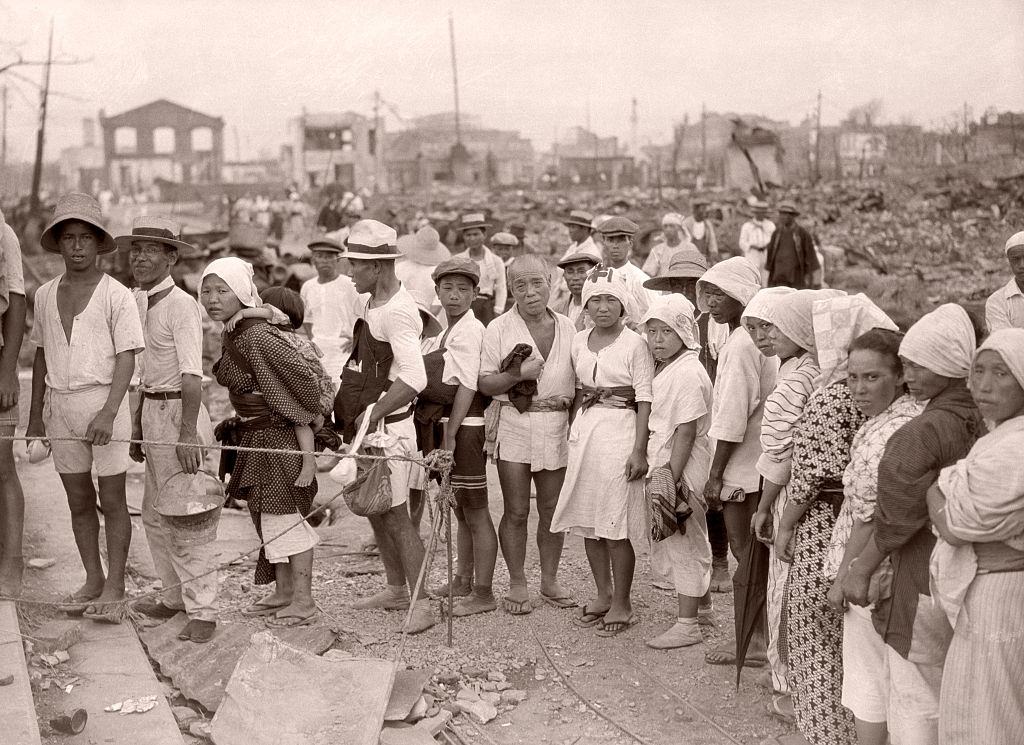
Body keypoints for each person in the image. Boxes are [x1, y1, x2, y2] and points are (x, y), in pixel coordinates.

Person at [842, 303, 982, 745]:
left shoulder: (920, 432)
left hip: (918, 571)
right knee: (946, 681)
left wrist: (860, 568)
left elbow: (894, 515)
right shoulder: (978, 417)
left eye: (918, 364)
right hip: (966, 569)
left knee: (911, 687)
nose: (909, 374)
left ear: (946, 364)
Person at [774, 292, 897, 745]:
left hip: (825, 524)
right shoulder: (896, 402)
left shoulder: (831, 396)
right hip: (858, 527)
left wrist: (786, 523)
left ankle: (827, 733)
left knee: (815, 635)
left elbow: (808, 475)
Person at [26, 193, 145, 620]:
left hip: (103, 404)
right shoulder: (43, 295)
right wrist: (37, 414)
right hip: (62, 406)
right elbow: (41, 353)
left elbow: (127, 356)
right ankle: (93, 578)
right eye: (69, 238)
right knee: (78, 500)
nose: (77, 246)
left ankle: (115, 587)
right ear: (58, 244)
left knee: (111, 498)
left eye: (85, 238)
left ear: (99, 245)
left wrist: (110, 412)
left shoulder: (117, 296)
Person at [203, 257, 323, 628]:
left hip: (278, 438)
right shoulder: (236, 331)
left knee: (284, 518)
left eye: (223, 291)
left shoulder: (255, 334)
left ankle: (303, 600)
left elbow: (300, 378)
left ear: (241, 292)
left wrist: (296, 416)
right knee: (265, 518)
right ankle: (285, 591)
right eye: (206, 291)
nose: (213, 298)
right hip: (255, 437)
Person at [120, 217, 221, 643]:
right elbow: (143, 371)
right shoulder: (139, 302)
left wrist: (184, 432)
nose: (140, 257)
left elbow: (191, 375)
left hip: (179, 412)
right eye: (135, 249)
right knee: (155, 516)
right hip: (153, 411)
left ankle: (203, 611)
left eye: (150, 250)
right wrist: (141, 424)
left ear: (171, 257)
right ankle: (174, 596)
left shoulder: (181, 305)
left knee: (187, 515)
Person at [333, 220, 434, 633]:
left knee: (395, 515)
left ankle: (422, 602)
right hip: (369, 431)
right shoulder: (372, 303)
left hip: (391, 432)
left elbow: (415, 378)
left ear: (377, 267)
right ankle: (395, 588)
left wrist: (373, 413)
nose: (350, 273)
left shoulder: (399, 312)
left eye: (355, 265)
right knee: (374, 510)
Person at [824, 329, 922, 745]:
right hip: (897, 568)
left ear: (899, 376)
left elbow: (867, 518)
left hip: (871, 570)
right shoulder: (904, 418)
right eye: (853, 378)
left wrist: (847, 574)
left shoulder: (886, 433)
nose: (859, 389)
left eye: (872, 378)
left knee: (870, 677)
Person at [927, 328, 1024, 745]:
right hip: (985, 585)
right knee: (977, 702)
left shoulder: (1015, 447)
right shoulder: (999, 437)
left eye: (1001, 373)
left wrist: (935, 489)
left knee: (993, 711)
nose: (983, 385)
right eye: (978, 371)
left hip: (1000, 595)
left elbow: (955, 525)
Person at [551, 272, 653, 637]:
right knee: (590, 521)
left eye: (611, 300)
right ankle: (602, 593)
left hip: (620, 434)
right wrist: (572, 431)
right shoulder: (579, 341)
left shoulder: (635, 344)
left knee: (614, 523)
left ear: (623, 305)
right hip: (586, 433)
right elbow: (579, 389)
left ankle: (623, 602)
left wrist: (639, 450)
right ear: (587, 305)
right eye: (596, 300)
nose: (603, 307)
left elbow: (644, 399)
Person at [479, 254, 577, 616]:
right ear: (511, 289)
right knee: (516, 510)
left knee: (552, 510)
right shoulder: (499, 328)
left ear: (551, 282)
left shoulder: (569, 327)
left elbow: (579, 383)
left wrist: (575, 425)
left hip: (556, 425)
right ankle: (518, 582)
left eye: (537, 282)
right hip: (514, 424)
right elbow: (485, 382)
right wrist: (518, 375)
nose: (531, 292)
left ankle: (549, 581)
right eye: (520, 285)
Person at [696, 257, 778, 668]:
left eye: (720, 294)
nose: (712, 301)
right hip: (758, 463)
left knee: (747, 558)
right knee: (754, 557)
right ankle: (760, 635)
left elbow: (730, 417)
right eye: (707, 292)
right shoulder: (749, 340)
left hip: (743, 468)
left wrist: (715, 475)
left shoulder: (743, 345)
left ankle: (754, 639)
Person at [643, 250, 731, 590]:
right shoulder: (664, 329)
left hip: (704, 416)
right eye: (676, 283)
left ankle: (709, 578)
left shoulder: (714, 324)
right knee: (685, 521)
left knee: (707, 501)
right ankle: (698, 596)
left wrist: (672, 474)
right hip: (685, 415)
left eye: (690, 283)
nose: (683, 288)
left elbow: (686, 428)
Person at [419, 258, 498, 616]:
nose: (454, 296)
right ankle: (463, 578)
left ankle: (483, 592)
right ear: (437, 291)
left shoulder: (471, 330)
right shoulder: (442, 332)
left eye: (463, 289)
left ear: (475, 293)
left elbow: (468, 384)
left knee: (477, 511)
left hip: (464, 428)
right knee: (461, 510)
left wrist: (450, 436)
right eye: (448, 288)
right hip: (447, 426)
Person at [640, 295, 716, 649]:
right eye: (652, 331)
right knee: (687, 537)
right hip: (672, 461)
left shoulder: (687, 372)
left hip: (681, 465)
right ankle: (702, 607)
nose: (657, 339)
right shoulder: (672, 366)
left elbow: (685, 430)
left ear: (684, 332)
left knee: (683, 539)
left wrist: (671, 477)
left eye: (666, 331)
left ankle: (687, 625)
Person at [741, 286, 802, 720]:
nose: (763, 337)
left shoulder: (799, 376)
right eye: (755, 329)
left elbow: (780, 455)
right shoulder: (793, 367)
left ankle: (790, 682)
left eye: (770, 327)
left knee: (787, 586)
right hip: (793, 490)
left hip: (791, 494)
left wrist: (765, 505)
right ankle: (785, 672)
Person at [224, 286, 333, 488]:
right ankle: (314, 429)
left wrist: (242, 313)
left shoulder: (276, 325)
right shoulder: (284, 336)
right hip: (322, 390)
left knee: (298, 418)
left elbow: (268, 311)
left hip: (319, 393)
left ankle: (309, 463)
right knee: (301, 418)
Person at [0, 210, 27, 597]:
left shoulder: (3, 233)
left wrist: (8, 373)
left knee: (3, 466)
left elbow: (17, 303)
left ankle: (13, 562)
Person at [299, 236, 361, 380]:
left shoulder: (349, 285)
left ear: (337, 260)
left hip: (344, 349)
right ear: (313, 260)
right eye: (320, 256)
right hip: (319, 349)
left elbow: (365, 314)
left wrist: (357, 340)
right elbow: (307, 318)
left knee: (342, 389)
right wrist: (314, 339)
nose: (325, 261)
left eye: (329, 257)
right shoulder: (308, 287)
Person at [594, 217, 657, 318]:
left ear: (630, 243)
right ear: (604, 243)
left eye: (621, 240)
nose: (615, 246)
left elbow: (656, 314)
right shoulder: (597, 277)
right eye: (610, 240)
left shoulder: (639, 280)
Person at [451, 212, 505, 325]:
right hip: (462, 308)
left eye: (476, 234)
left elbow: (501, 288)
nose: (472, 238)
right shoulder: (457, 259)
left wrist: (498, 311)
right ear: (463, 237)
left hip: (486, 308)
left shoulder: (496, 261)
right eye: (468, 235)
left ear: (484, 234)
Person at [396, 225, 450, 316]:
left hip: (400, 314)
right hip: (428, 320)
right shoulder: (441, 273)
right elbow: (436, 307)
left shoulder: (400, 267)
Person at [765, 202, 820, 290]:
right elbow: (770, 254)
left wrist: (815, 281)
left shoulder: (802, 234)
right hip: (778, 277)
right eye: (781, 214)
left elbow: (811, 258)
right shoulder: (777, 233)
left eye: (785, 214)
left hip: (796, 278)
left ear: (792, 216)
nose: (782, 217)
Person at [984, 230, 1024, 332]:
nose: (1022, 265)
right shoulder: (997, 302)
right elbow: (1005, 341)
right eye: (1016, 259)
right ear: (1009, 262)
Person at [552, 252, 599, 331]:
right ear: (564, 276)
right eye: (570, 272)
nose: (575, 277)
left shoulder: (601, 310)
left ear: (595, 275)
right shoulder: (556, 311)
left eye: (581, 272)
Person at [642, 213, 695, 277]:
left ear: (678, 228)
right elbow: (647, 272)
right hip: (663, 285)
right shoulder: (657, 250)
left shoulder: (690, 248)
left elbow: (697, 270)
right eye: (665, 226)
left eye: (671, 226)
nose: (668, 229)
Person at [738, 200, 775, 286]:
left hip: (766, 253)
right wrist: (751, 245)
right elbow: (742, 242)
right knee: (752, 277)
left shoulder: (770, 225)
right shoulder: (747, 226)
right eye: (758, 212)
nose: (760, 214)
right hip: (752, 254)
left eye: (763, 212)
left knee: (765, 277)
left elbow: (774, 241)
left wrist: (769, 246)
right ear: (755, 213)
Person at [682, 199, 719, 263]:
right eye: (703, 208)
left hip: (704, 260)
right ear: (695, 210)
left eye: (706, 209)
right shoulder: (686, 223)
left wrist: (713, 253)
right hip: (689, 260)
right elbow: (683, 244)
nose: (706, 211)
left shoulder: (707, 224)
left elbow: (712, 242)